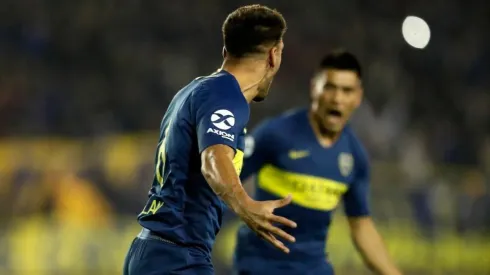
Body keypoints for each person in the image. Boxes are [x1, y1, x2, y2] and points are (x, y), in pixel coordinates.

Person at [123, 4, 297, 275]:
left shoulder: (194, 91)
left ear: (225, 52)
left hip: (158, 252)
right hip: (177, 257)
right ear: (274, 56)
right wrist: (245, 205)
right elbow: (214, 158)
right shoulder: (225, 95)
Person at [233, 50, 402, 275]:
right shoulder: (275, 134)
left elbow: (361, 225)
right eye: (330, 87)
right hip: (260, 267)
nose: (337, 98)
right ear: (315, 88)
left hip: (313, 269)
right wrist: (244, 208)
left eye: (346, 90)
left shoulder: (354, 156)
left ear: (358, 97)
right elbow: (224, 181)